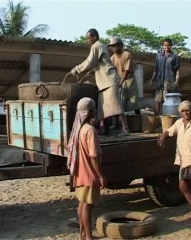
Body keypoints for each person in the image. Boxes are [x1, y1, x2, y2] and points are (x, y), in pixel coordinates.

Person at [70, 28, 129, 137]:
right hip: (104, 82)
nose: (88, 40)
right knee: (103, 107)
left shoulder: (96, 45)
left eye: (89, 38)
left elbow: (90, 61)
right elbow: (99, 63)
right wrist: (93, 71)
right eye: (87, 39)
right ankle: (104, 129)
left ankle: (125, 129)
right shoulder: (100, 46)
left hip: (109, 81)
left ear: (95, 37)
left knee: (115, 106)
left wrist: (77, 69)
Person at [157, 100, 191, 220]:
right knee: (183, 186)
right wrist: (162, 137)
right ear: (180, 112)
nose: (185, 113)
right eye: (183, 111)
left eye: (187, 110)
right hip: (183, 160)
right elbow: (170, 131)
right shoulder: (179, 123)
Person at [66, 97, 107, 240]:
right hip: (89, 175)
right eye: (94, 109)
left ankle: (83, 235)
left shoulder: (79, 129)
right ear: (89, 112)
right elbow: (94, 157)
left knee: (82, 205)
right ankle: (88, 237)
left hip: (79, 173)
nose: (96, 111)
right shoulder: (90, 130)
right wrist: (100, 176)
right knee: (88, 207)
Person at [108, 36, 140, 129]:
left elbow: (126, 71)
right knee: (120, 104)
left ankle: (137, 124)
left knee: (134, 104)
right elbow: (111, 70)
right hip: (119, 81)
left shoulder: (127, 55)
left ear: (120, 45)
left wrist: (120, 82)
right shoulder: (112, 58)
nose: (113, 48)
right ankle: (119, 125)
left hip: (129, 81)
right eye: (111, 46)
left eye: (114, 45)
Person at [149, 38, 180, 115]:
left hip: (169, 82)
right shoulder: (159, 56)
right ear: (162, 46)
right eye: (165, 45)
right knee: (157, 100)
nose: (166, 47)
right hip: (159, 82)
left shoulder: (174, 56)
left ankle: (167, 117)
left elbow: (177, 70)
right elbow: (155, 69)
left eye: (168, 45)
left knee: (167, 101)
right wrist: (152, 80)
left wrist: (177, 80)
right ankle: (156, 118)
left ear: (171, 46)